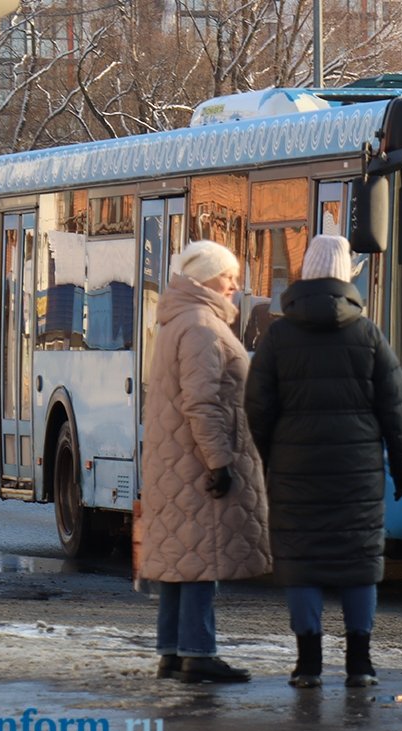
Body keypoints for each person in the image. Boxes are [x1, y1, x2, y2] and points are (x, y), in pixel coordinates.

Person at [245, 234, 402, 690]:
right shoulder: (368, 335)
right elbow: (396, 410)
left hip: (294, 471)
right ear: (346, 276)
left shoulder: (278, 337)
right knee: (358, 564)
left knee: (301, 563)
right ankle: (360, 664)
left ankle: (308, 665)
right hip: (357, 475)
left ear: (306, 272)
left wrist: (272, 458)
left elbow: (257, 408)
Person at [138, 239, 272, 684]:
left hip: (176, 459)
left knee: (180, 557)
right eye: (227, 275)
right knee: (199, 557)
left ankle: (173, 652)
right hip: (196, 463)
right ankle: (198, 652)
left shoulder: (180, 320)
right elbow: (202, 402)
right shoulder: (201, 326)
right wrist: (219, 461)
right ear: (205, 279)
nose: (234, 284)